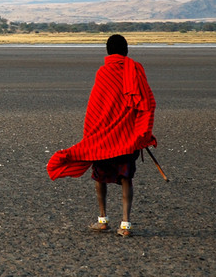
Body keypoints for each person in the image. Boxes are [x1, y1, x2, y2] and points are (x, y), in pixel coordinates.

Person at [46, 34, 156, 237]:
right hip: (127, 139)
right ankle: (125, 224)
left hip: (104, 139)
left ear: (107, 51)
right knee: (126, 179)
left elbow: (96, 110)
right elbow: (146, 104)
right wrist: (142, 132)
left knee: (99, 178)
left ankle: (103, 219)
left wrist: (91, 136)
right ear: (126, 50)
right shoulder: (136, 71)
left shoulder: (104, 73)